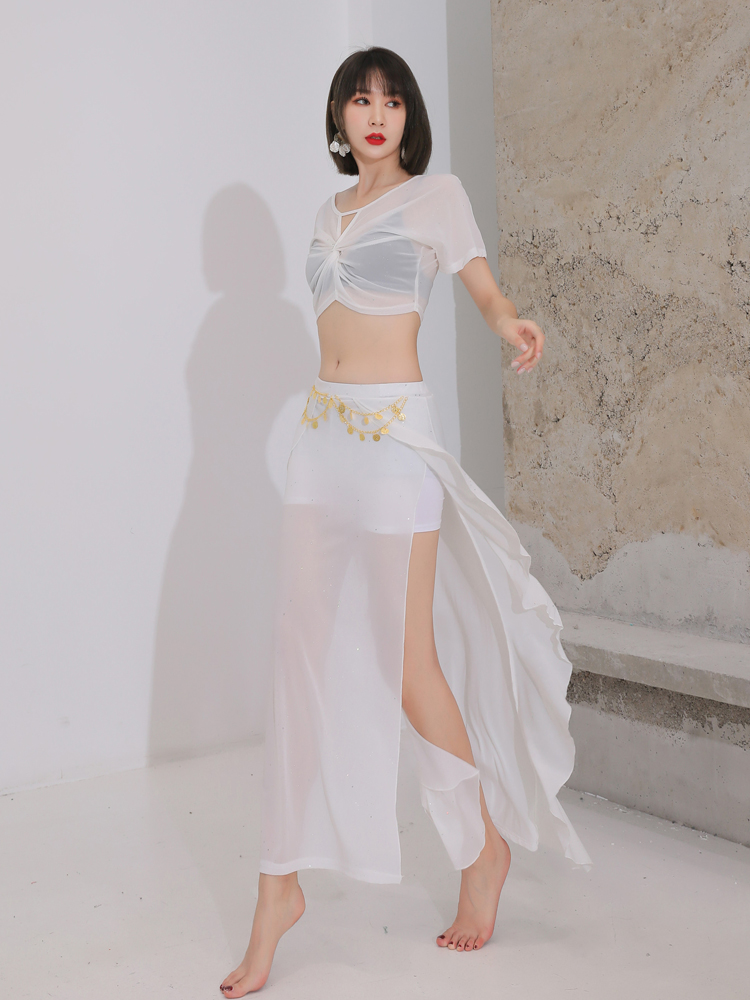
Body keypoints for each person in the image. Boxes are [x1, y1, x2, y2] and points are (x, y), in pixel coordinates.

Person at [220, 46, 590, 997]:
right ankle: (278, 887)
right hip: (320, 444)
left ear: (407, 116)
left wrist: (510, 324)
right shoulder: (326, 212)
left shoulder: (438, 197)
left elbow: (481, 287)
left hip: (394, 445)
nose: (376, 113)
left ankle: (481, 848)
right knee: (297, 655)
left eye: (390, 100)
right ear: (339, 118)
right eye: (359, 99)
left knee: (407, 661)